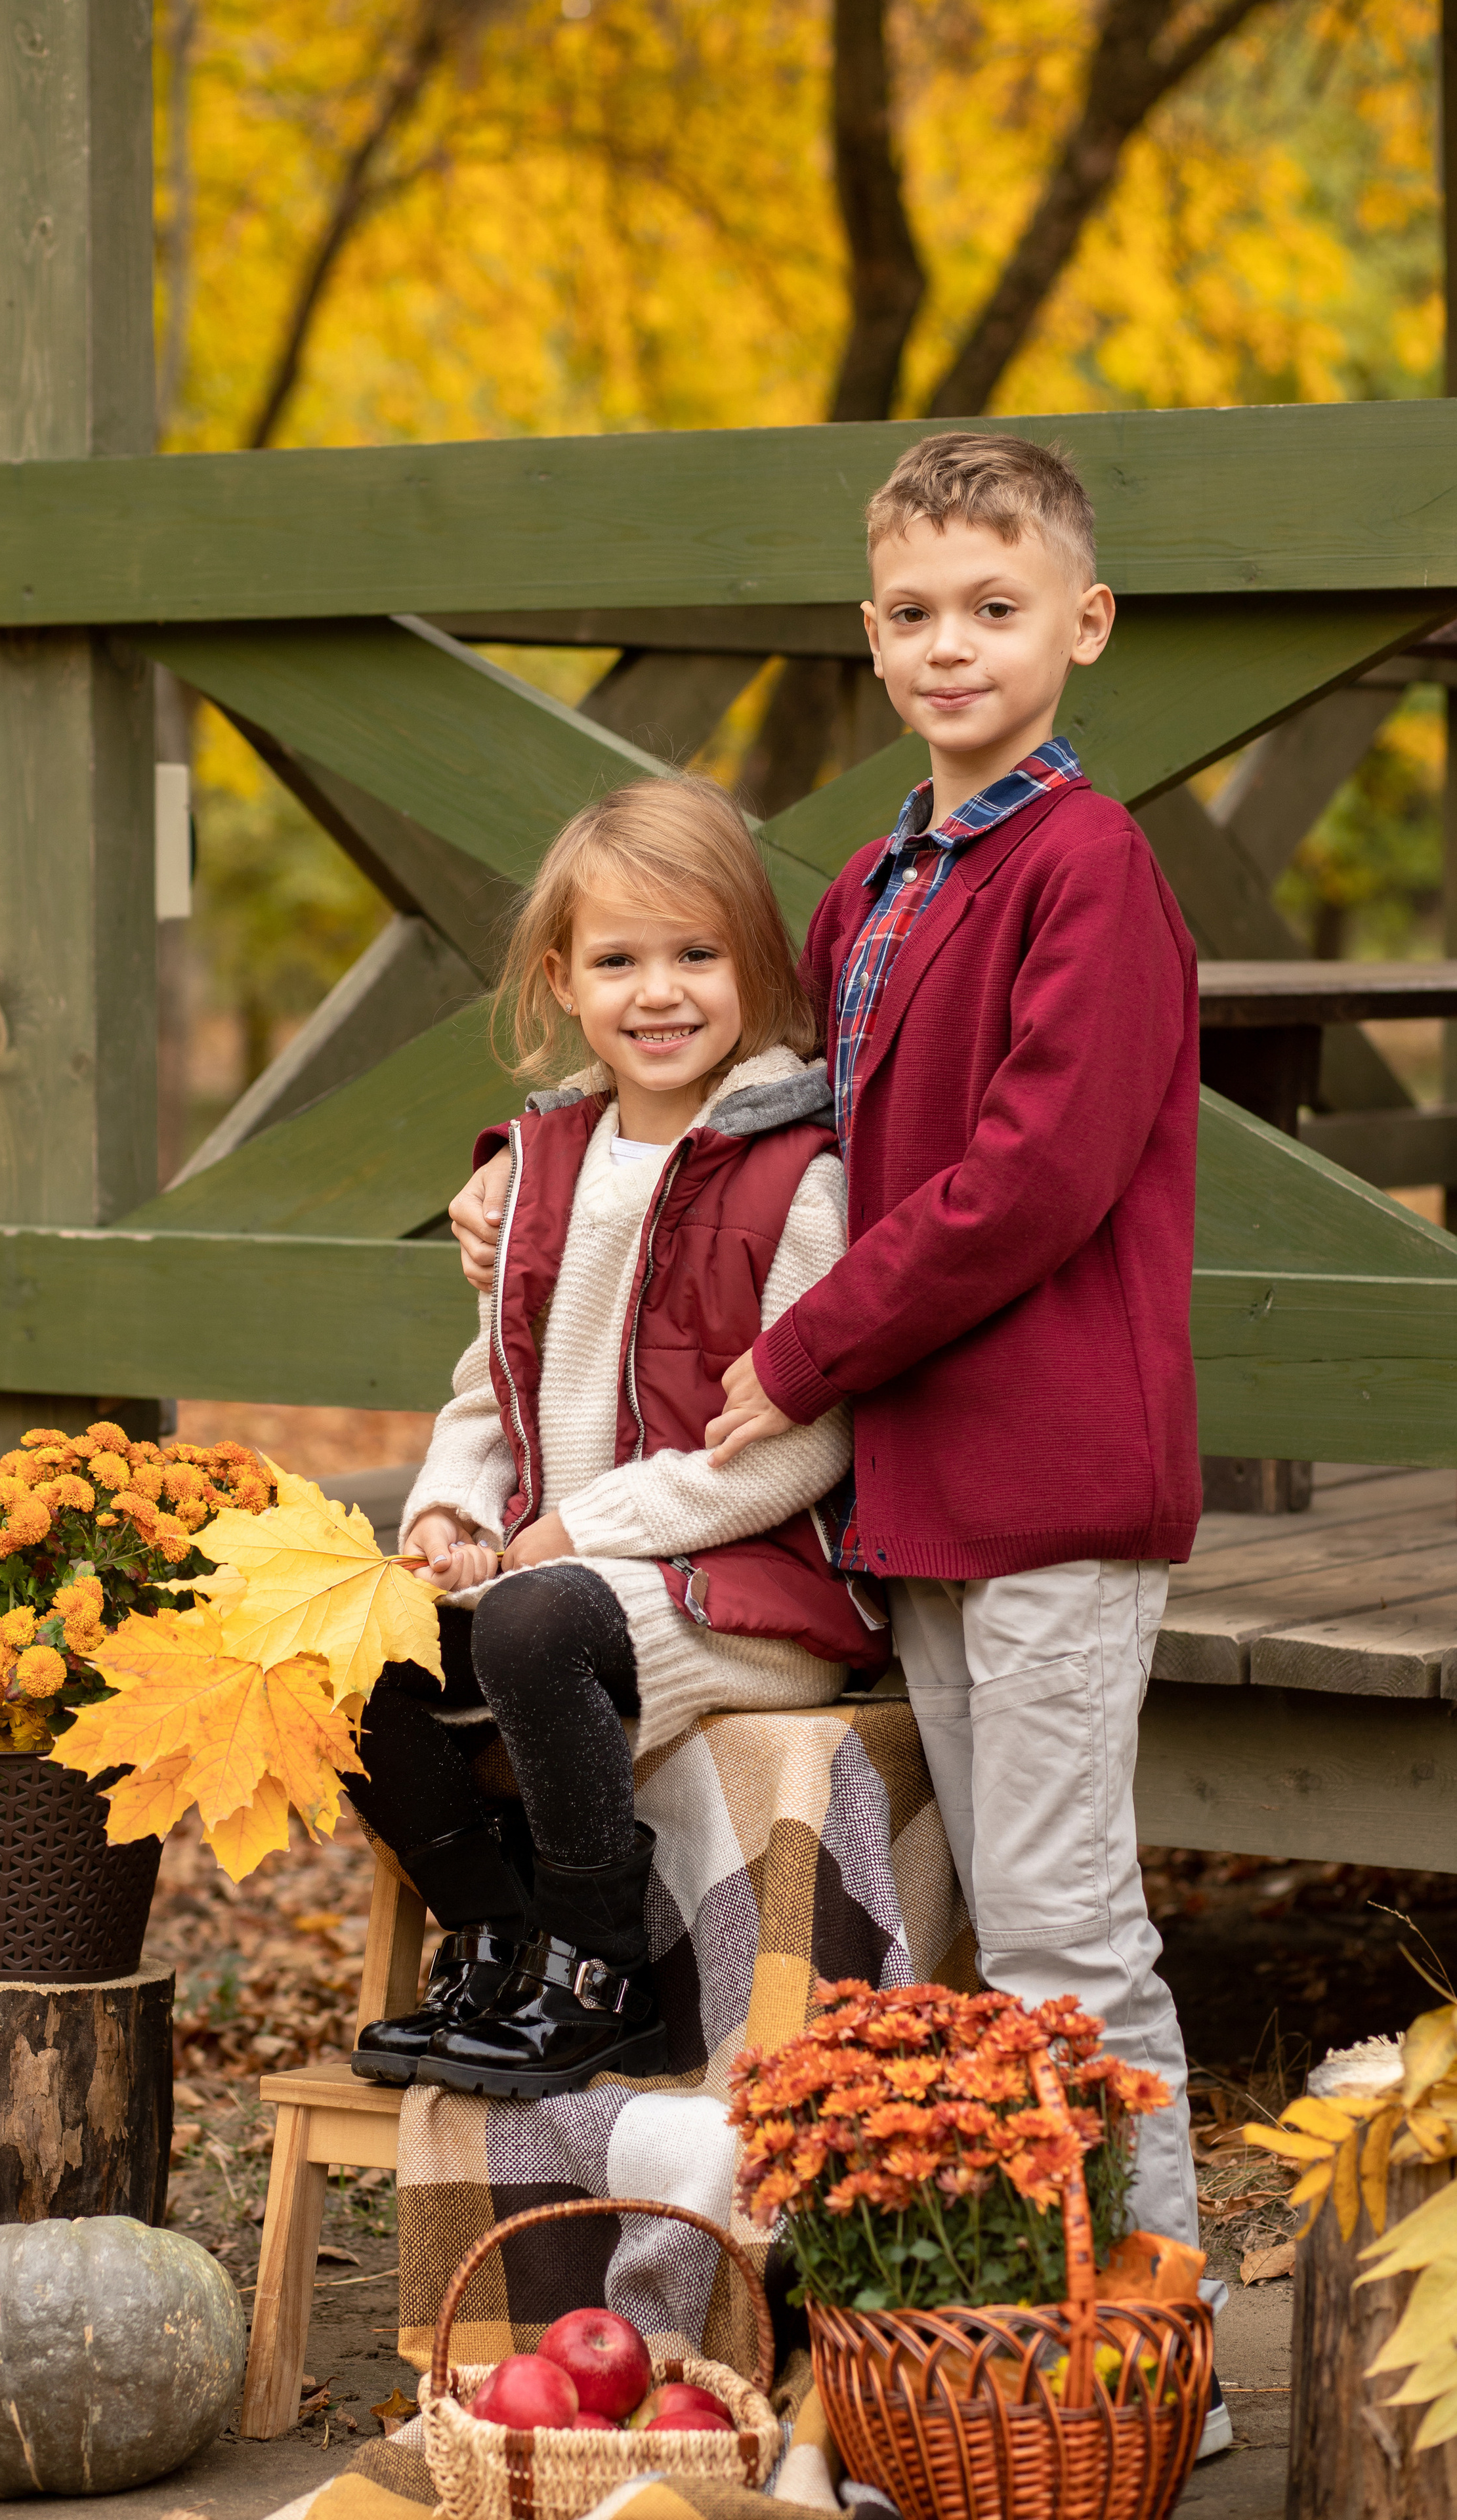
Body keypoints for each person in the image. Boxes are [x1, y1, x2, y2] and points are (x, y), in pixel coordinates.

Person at [448, 434, 1204, 2248]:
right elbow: (745, 1102)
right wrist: (517, 1166)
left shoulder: (1087, 870)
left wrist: (802, 1353)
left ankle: (1150, 2306)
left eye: (996, 609)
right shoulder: (875, 886)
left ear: (1085, 624)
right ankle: (1008, 2314)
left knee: (1063, 1928)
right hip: (914, 1495)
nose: (953, 646)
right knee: (989, 1931)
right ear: (872, 638)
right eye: (916, 613)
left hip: (1050, 1479)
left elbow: (1034, 1179)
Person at [346, 774, 888, 2103]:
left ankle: (597, 1970)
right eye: (617, 961)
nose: (659, 993)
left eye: (697, 955)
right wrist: (451, 1510)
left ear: (755, 968)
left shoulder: (797, 1181)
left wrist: (576, 1533)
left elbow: (798, 1448)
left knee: (533, 1622)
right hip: (553, 1574)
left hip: (738, 1587)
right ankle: (493, 1936)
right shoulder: (541, 1170)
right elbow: (493, 1390)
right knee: (346, 1660)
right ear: (560, 980)